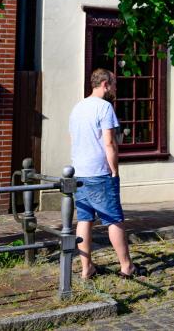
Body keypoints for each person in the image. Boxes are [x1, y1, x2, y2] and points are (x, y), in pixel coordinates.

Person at [70, 68, 143, 280]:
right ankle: (127, 267)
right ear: (105, 84)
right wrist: (114, 170)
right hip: (100, 171)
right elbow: (109, 143)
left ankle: (86, 268)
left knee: (84, 219)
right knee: (113, 219)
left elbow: (73, 139)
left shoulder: (77, 107)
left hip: (79, 171)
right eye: (114, 84)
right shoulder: (104, 107)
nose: (115, 89)